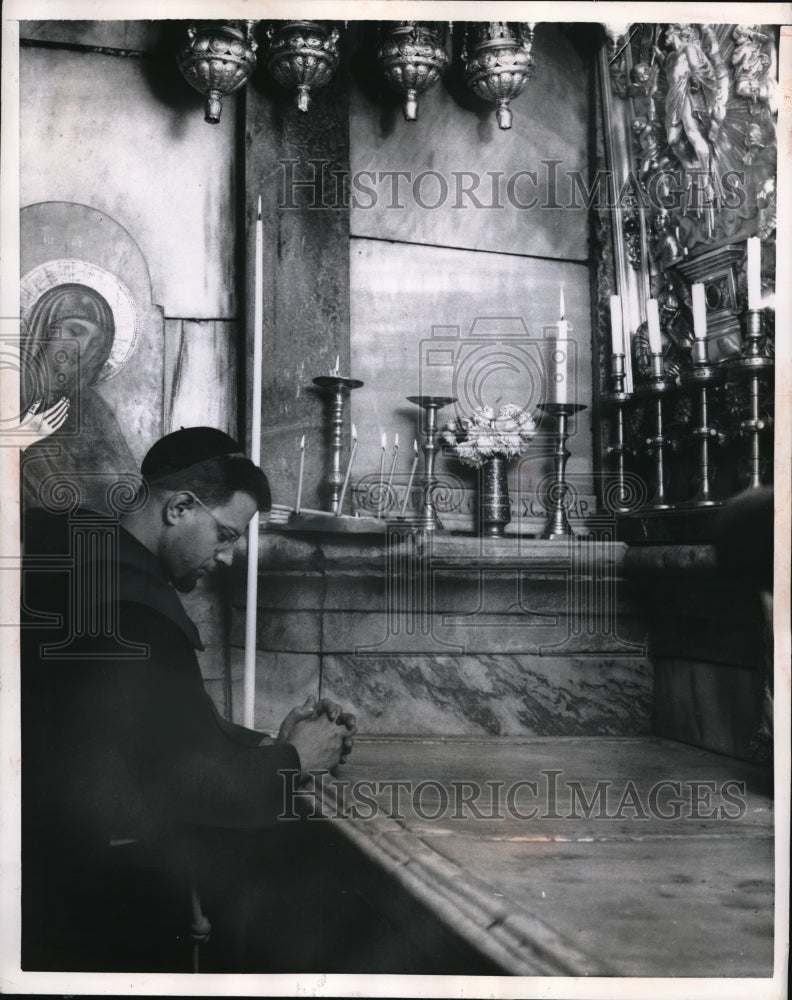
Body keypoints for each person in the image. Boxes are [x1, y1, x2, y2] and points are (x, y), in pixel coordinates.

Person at [21, 426, 356, 971]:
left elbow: (143, 729)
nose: (226, 558)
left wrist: (270, 739)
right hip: (92, 897)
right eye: (225, 534)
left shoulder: (87, 563)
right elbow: (178, 781)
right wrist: (294, 761)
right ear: (179, 506)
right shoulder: (132, 611)